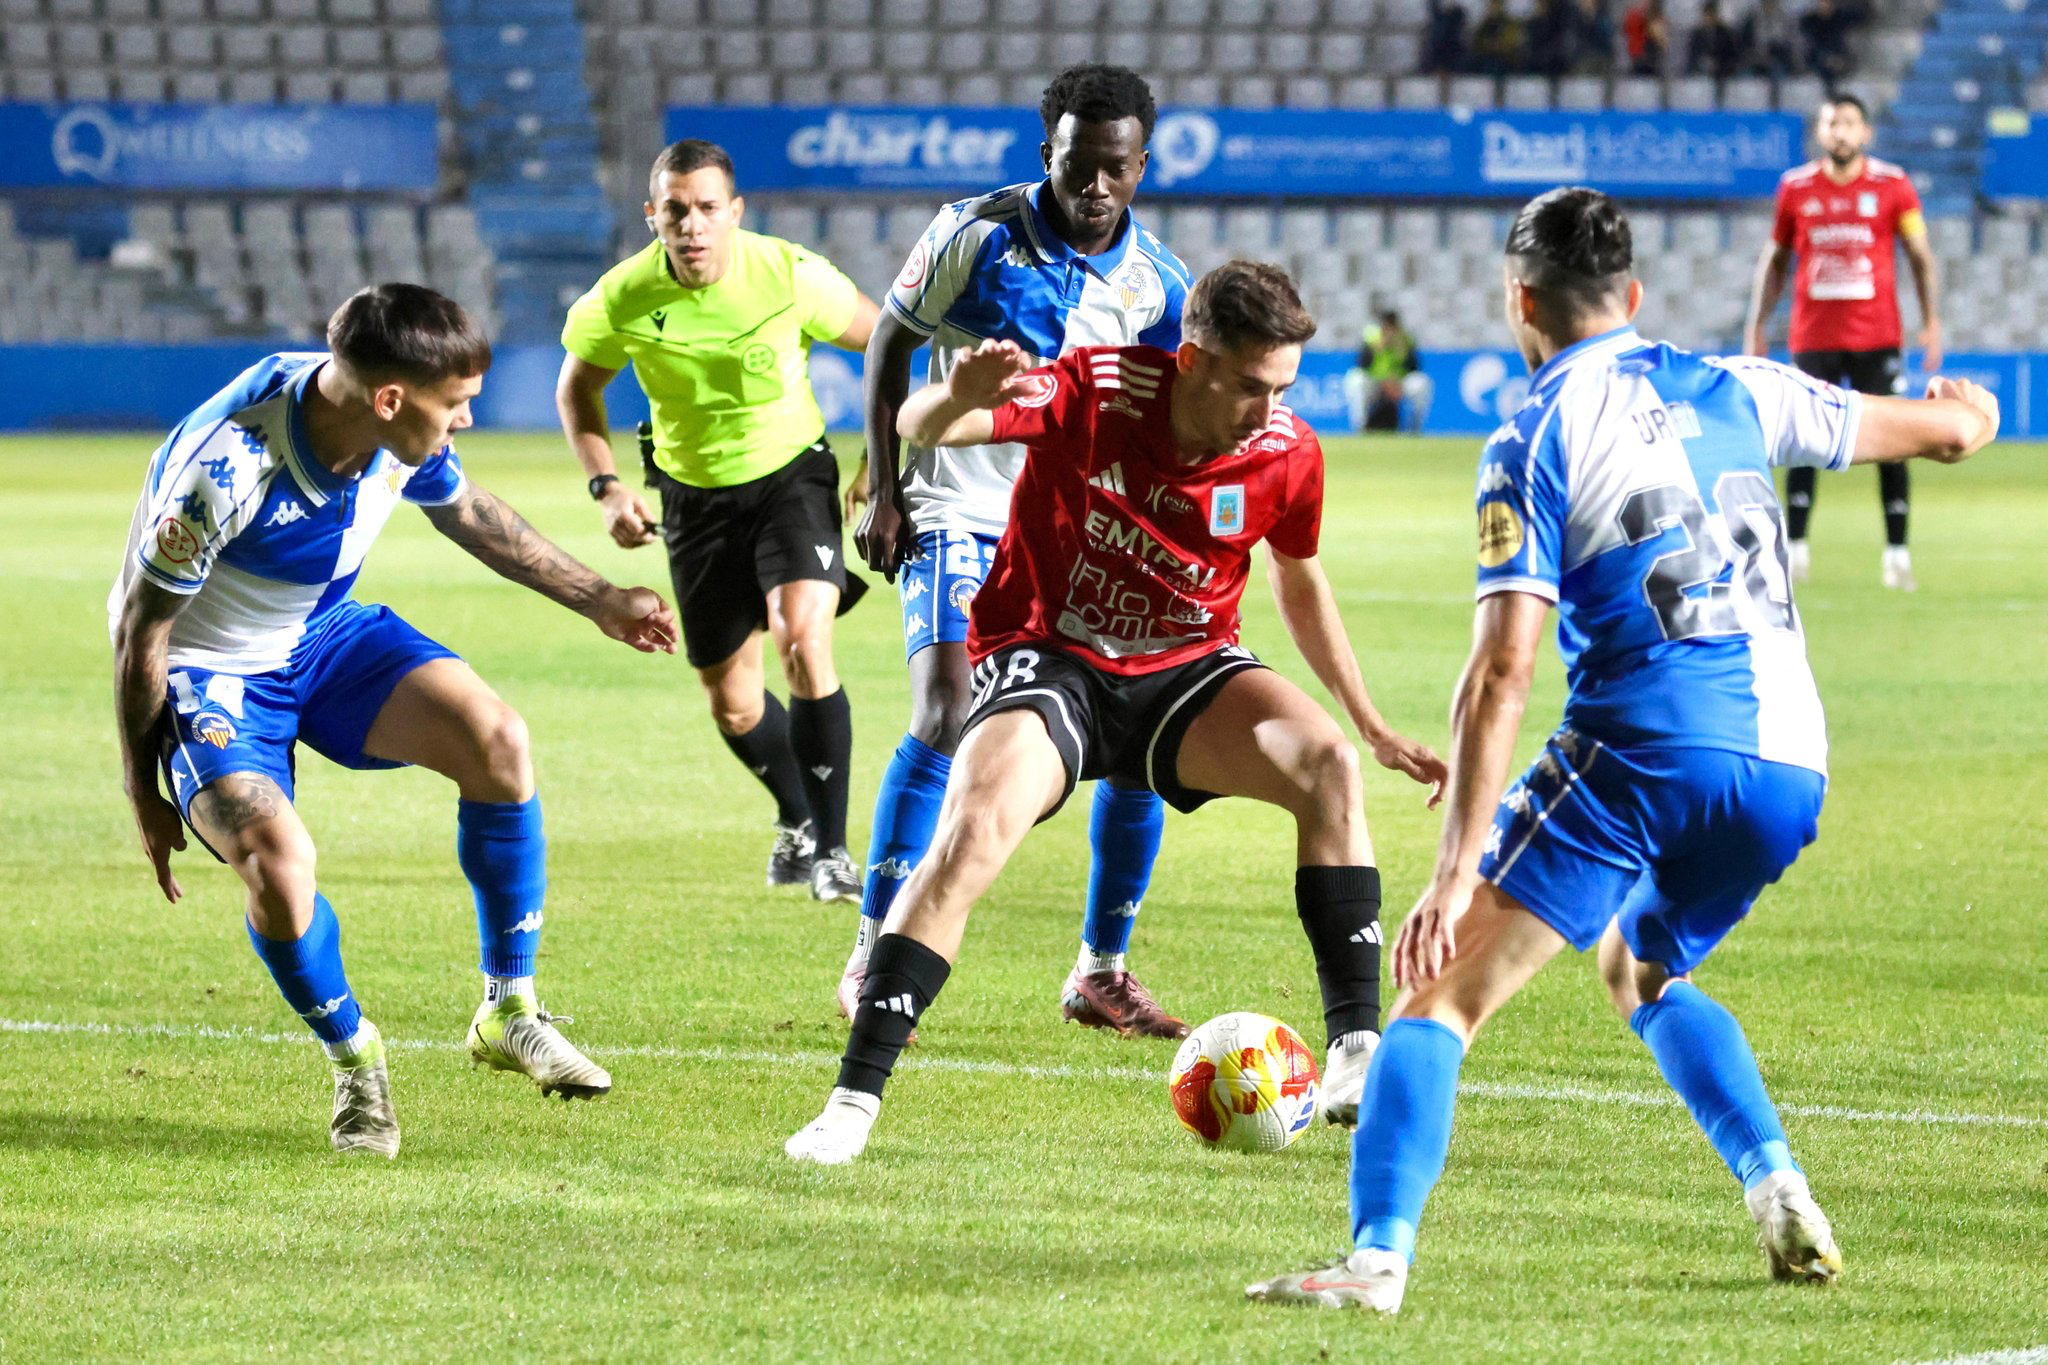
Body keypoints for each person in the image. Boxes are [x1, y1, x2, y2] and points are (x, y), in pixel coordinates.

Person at [1246, 187, 1999, 1313]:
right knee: (1639, 965)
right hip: (1790, 760)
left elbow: (1501, 670)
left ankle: (1373, 1263)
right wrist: (1967, 410)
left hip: (1646, 743)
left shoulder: (1531, 433)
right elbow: (1942, 433)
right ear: (1634, 297)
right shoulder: (1741, 387)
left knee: (1435, 1001)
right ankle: (1775, 1186)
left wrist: (1451, 875)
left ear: (1520, 302)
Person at [785, 261, 1448, 1167]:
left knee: (1328, 763)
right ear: (1191, 358)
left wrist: (1369, 722)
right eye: (1251, 386)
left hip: (1185, 668)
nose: (1270, 410)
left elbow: (1298, 577)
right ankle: (851, 1104)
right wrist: (950, 401)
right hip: (1051, 658)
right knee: (974, 831)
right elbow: (919, 423)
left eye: (1285, 387)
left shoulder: (1287, 450)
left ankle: (1354, 1056)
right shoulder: (1100, 389)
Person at [110, 284, 682, 1157]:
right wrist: (141, 786)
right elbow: (139, 629)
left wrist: (601, 598)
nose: (465, 424)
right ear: (389, 401)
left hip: (316, 633)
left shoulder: (382, 426)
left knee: (498, 739)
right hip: (211, 670)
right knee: (278, 865)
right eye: (456, 408)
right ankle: (357, 1061)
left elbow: (474, 517)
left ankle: (509, 1008)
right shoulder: (226, 471)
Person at [847, 64, 1195, 1039]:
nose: (1093, 185)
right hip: (952, 505)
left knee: (1135, 733)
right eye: (1077, 165)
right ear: (1047, 154)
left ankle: (1101, 969)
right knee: (947, 708)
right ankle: (874, 951)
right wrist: (879, 482)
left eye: (1113, 168)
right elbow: (885, 346)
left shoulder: (1155, 285)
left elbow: (1159, 416)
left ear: (1138, 167)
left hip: (1069, 532)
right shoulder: (975, 233)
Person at [557, 139, 881, 901]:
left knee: (803, 638)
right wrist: (606, 487)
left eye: (708, 208)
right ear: (653, 216)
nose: (693, 225)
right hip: (692, 497)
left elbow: (886, 343)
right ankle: (798, 816)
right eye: (677, 210)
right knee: (732, 701)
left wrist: (881, 461)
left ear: (735, 212)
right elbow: (579, 390)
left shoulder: (790, 274)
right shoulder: (620, 298)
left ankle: (834, 850)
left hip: (792, 478)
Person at [1743, 94, 1943, 590]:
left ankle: (1897, 554)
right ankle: (1795, 551)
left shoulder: (1893, 185)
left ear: (1866, 133)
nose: (1841, 132)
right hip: (1814, 337)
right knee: (1800, 440)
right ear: (1820, 131)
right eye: (1832, 123)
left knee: (1894, 442)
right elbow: (1775, 262)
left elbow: (1920, 255)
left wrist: (1932, 320)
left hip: (1878, 336)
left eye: (1850, 123)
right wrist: (1757, 324)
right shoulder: (1795, 188)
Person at [1353, 309, 1430, 433]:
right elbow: (1361, 364)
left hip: (1399, 383)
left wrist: (1402, 351)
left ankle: (1415, 427)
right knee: (1357, 380)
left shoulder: (1405, 339)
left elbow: (1415, 367)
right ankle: (1361, 426)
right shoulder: (1371, 338)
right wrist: (1377, 349)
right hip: (1375, 382)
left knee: (1421, 383)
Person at [1684, 0, 1750, 80]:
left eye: (1710, 16)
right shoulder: (1697, 34)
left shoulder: (1725, 33)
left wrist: (1718, 65)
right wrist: (1701, 63)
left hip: (1722, 72)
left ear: (1715, 16)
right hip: (1701, 72)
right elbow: (1692, 55)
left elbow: (1731, 55)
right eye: (1705, 16)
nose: (1707, 19)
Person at [1623, 0, 1669, 75]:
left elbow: (1662, 42)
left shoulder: (1654, 18)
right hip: (1639, 56)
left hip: (1647, 57)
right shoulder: (1635, 15)